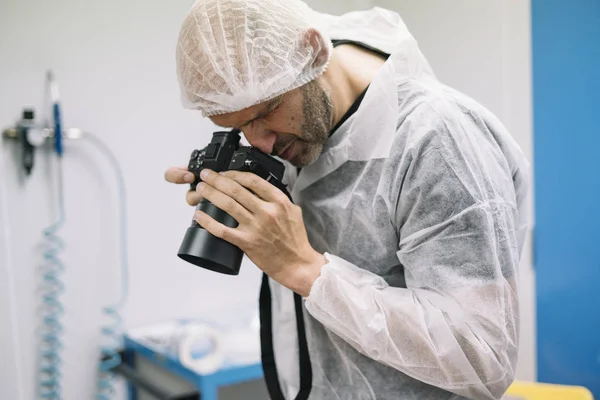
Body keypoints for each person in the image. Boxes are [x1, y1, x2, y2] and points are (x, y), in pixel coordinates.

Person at [164, 0, 531, 399]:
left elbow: (482, 355)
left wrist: (302, 266)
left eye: (265, 113)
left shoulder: (438, 140)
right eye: (238, 128)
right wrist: (242, 197)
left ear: (314, 52)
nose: (260, 142)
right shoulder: (301, 134)